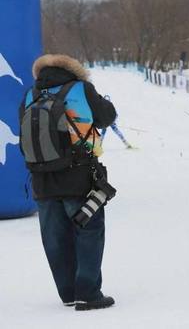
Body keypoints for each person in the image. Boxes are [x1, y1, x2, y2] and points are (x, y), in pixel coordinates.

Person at [19, 54, 117, 311]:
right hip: (79, 176)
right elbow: (107, 117)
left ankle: (68, 293)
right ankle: (88, 292)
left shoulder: (31, 94)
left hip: (41, 180)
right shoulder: (82, 89)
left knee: (55, 238)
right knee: (89, 232)